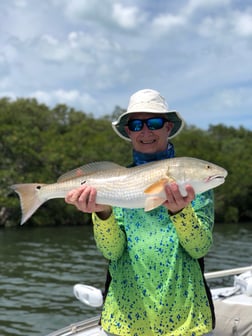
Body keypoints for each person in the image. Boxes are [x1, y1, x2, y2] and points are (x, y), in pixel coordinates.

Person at [65, 89, 215, 336]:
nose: (146, 132)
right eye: (136, 125)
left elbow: (199, 248)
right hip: (125, 322)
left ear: (168, 127)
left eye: (154, 123)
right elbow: (112, 251)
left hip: (186, 322)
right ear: (128, 132)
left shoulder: (197, 187)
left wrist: (181, 212)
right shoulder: (116, 186)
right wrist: (102, 213)